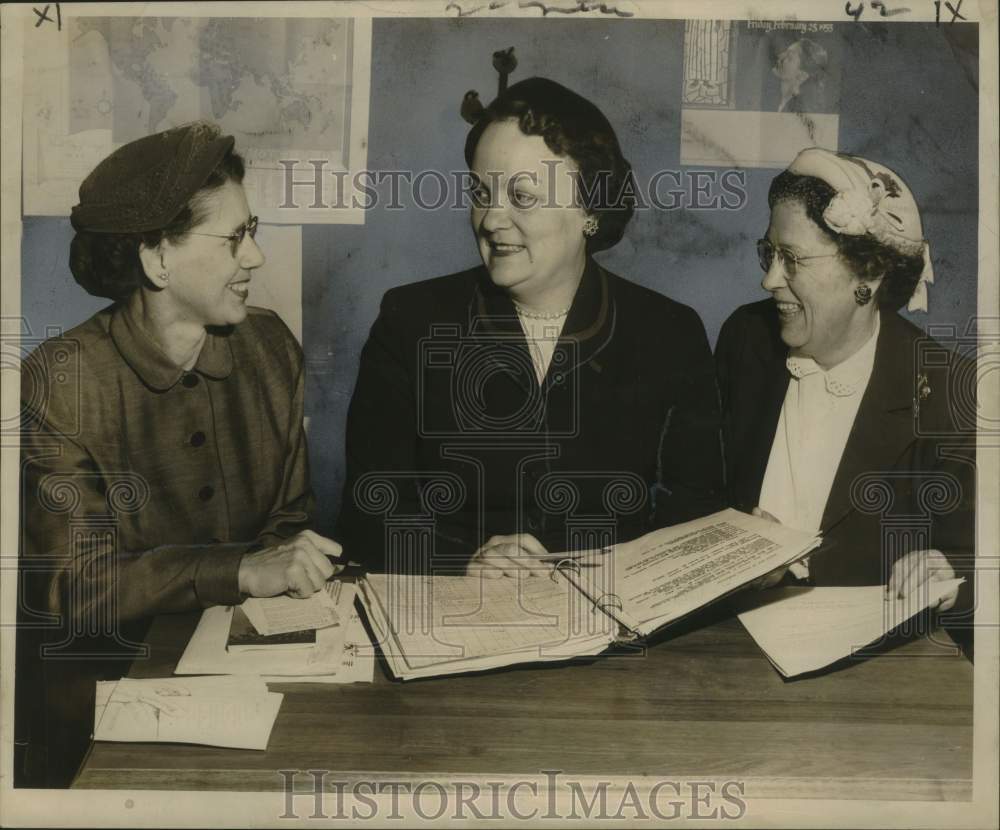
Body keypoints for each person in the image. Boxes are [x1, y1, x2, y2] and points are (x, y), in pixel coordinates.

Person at [16, 123, 342, 787]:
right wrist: (238, 571)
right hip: (102, 698)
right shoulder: (63, 377)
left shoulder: (270, 349)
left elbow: (287, 522)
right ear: (156, 258)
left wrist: (276, 583)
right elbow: (71, 587)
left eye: (255, 232)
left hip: (247, 676)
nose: (254, 259)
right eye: (234, 239)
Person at [337, 76, 723, 576]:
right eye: (481, 192)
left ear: (589, 208)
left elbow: (695, 511)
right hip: (456, 612)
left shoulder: (669, 332)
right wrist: (464, 561)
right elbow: (368, 513)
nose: (492, 219)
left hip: (615, 622)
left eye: (521, 197)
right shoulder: (411, 321)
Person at [716, 148, 975, 644]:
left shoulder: (944, 390)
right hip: (731, 644)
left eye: (791, 259)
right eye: (768, 253)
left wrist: (949, 571)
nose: (769, 279)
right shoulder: (745, 340)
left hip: (875, 668)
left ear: (869, 276)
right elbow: (699, 490)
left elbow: (976, 558)